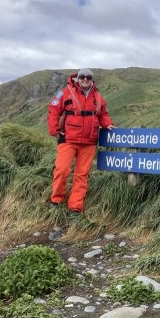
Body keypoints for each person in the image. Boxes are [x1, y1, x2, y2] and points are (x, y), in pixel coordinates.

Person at [48, 68, 114, 216]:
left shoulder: (97, 96)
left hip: (89, 142)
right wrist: (54, 129)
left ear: (92, 79)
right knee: (62, 170)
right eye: (82, 77)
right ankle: (56, 200)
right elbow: (53, 109)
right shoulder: (64, 92)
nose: (85, 79)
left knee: (82, 175)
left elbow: (103, 113)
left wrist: (107, 124)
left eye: (88, 77)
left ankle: (75, 207)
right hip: (68, 140)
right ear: (77, 78)